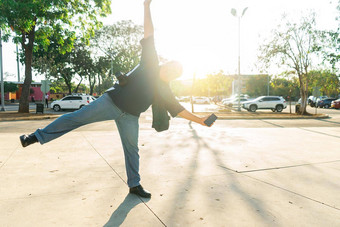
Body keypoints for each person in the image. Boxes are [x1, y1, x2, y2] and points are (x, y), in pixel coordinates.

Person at [20, 0, 214, 198]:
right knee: (76, 118)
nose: (169, 70)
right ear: (165, 64)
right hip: (110, 103)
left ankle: (134, 185)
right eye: (170, 66)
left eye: (174, 72)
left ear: (173, 76)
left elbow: (179, 110)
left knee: (132, 150)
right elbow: (150, 34)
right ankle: (35, 137)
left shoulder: (164, 89)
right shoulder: (151, 61)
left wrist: (201, 120)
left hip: (130, 117)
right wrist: (146, 6)